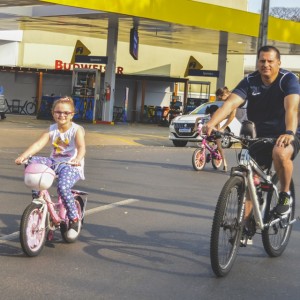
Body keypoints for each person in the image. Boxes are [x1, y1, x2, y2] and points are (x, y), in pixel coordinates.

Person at [204, 45, 300, 218]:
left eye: (270, 61)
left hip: (287, 131)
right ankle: (245, 225)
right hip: (259, 135)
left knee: (280, 152)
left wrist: (289, 132)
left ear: (278, 62)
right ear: (257, 63)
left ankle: (285, 195)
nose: (266, 64)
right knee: (250, 180)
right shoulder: (250, 81)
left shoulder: (288, 79)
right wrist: (212, 123)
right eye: (262, 61)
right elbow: (230, 104)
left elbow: (291, 109)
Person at [15, 96, 86, 238]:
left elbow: (81, 147)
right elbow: (38, 145)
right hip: (54, 162)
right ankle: (39, 204)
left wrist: (77, 159)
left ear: (72, 115)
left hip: (70, 165)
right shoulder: (51, 129)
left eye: (66, 113)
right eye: (58, 112)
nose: (62, 115)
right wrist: (23, 156)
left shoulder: (76, 130)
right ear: (53, 113)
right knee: (31, 161)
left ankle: (74, 219)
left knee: (63, 187)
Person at [194, 104, 228, 171]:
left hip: (216, 134)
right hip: (208, 134)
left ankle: (225, 163)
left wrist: (218, 131)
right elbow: (197, 119)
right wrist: (195, 127)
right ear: (212, 112)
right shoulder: (207, 117)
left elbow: (218, 127)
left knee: (219, 148)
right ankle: (205, 154)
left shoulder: (217, 118)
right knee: (205, 144)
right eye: (215, 112)